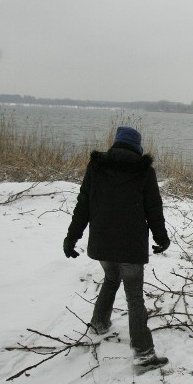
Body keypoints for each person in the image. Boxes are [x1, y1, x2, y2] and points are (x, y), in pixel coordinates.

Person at [63, 126, 171, 371]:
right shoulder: (144, 172)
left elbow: (83, 206)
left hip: (102, 242)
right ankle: (144, 354)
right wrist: (161, 238)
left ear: (115, 144)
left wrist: (71, 238)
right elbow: (154, 210)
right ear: (137, 147)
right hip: (130, 246)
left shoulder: (96, 167)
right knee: (134, 296)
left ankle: (99, 324)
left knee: (111, 278)